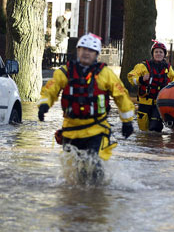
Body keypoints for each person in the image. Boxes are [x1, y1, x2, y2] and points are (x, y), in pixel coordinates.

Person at [37, 33, 135, 177]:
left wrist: (127, 122)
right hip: (71, 130)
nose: (86, 53)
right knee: (74, 172)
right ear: (78, 51)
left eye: (90, 50)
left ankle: (95, 195)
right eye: (83, 49)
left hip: (96, 130)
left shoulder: (105, 74)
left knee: (93, 167)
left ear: (96, 54)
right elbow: (51, 89)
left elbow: (121, 96)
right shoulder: (65, 72)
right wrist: (44, 105)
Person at [128, 40, 174, 132]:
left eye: (161, 52)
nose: (158, 54)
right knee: (144, 131)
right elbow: (131, 78)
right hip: (145, 102)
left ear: (164, 55)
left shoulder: (168, 68)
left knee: (155, 128)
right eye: (156, 52)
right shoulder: (143, 66)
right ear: (152, 54)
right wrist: (141, 79)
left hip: (159, 104)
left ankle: (155, 145)